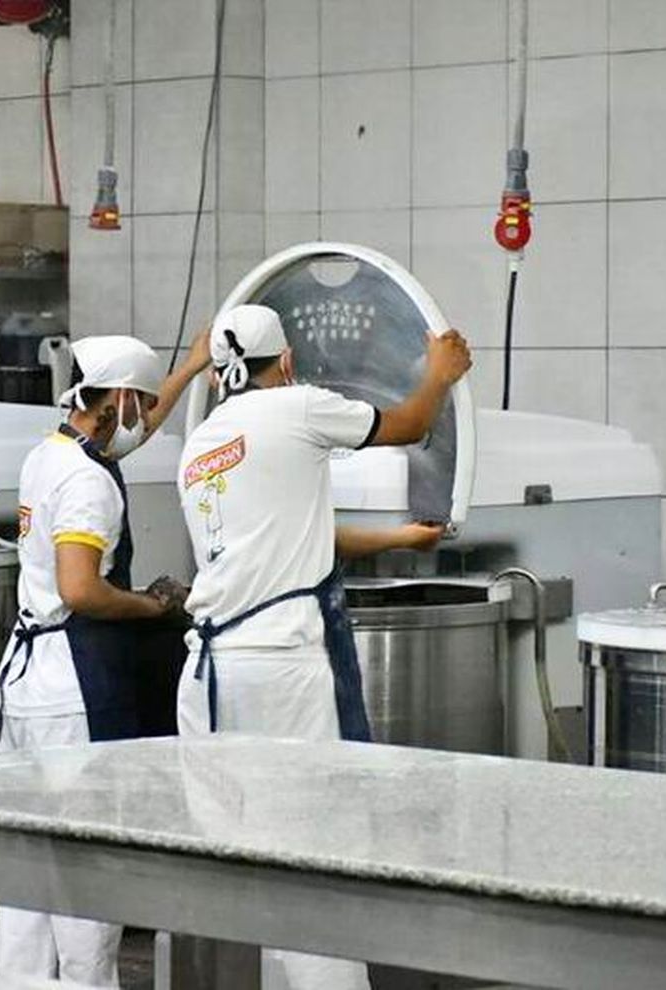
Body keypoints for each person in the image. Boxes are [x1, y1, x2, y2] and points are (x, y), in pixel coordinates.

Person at [174, 304, 471, 990]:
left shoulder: (204, 441)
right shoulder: (297, 407)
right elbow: (409, 426)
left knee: (247, 865)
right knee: (317, 854)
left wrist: (399, 539)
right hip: (283, 666)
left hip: (210, 672)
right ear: (284, 363)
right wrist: (440, 374)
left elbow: (297, 531)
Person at [0, 332, 208, 987]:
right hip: (73, 690)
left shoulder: (51, 452)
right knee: (87, 865)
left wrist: (191, 365)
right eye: (139, 399)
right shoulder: (90, 483)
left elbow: (129, 435)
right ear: (116, 397)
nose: (145, 412)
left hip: (25, 683)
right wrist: (156, 605)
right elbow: (81, 590)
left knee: (27, 866)